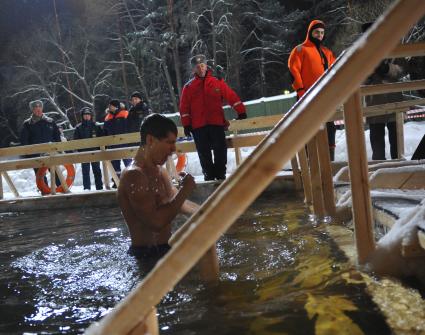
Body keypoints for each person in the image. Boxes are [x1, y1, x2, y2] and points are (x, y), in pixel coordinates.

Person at [117, 114, 199, 270]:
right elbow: (156, 222)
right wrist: (185, 190)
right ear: (150, 140)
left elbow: (179, 203)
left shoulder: (160, 171)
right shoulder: (134, 176)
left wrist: (206, 213)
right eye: (169, 142)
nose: (174, 149)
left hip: (165, 250)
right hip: (146, 256)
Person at [179, 54, 247, 181]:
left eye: (202, 65)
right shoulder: (188, 87)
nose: (200, 68)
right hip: (198, 127)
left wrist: (240, 110)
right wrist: (186, 124)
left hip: (216, 123)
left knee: (220, 150)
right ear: (194, 70)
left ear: (206, 66)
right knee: (204, 153)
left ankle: (220, 175)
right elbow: (184, 108)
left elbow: (230, 96)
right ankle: (209, 176)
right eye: (197, 67)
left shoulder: (217, 82)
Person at [288, 19, 337, 160]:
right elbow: (293, 71)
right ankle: (309, 162)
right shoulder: (300, 50)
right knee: (308, 129)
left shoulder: (327, 52)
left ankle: (330, 161)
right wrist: (301, 91)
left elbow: (336, 71)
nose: (320, 35)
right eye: (317, 32)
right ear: (310, 33)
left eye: (322, 33)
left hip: (325, 97)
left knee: (329, 128)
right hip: (306, 97)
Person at [362, 22, 404, 160]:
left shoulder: (393, 47)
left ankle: (399, 169)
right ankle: (380, 174)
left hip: (394, 101)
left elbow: (401, 69)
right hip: (374, 102)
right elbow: (357, 78)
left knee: (397, 143)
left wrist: (386, 69)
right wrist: (368, 73)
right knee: (377, 144)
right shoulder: (362, 53)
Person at [19, 100, 61, 193]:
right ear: (32, 110)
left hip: (51, 153)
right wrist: (28, 155)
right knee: (40, 176)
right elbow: (24, 141)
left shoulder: (50, 121)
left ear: (42, 108)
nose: (38, 109)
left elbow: (57, 137)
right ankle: (44, 193)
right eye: (35, 108)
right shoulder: (27, 124)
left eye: (39, 107)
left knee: (56, 173)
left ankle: (62, 190)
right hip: (36, 155)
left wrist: (59, 149)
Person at [73, 107, 104, 190]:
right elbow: (75, 140)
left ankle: (99, 187)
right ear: (82, 116)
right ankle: (86, 188)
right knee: (85, 171)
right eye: (85, 115)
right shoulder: (78, 127)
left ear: (91, 116)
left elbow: (102, 137)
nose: (87, 116)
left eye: (88, 115)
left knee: (97, 170)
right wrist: (78, 150)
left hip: (95, 151)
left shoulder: (96, 126)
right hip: (84, 153)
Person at [103, 99, 132, 184]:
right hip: (112, 144)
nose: (110, 107)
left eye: (112, 105)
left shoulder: (125, 114)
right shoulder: (108, 117)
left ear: (117, 106)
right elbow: (105, 131)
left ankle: (132, 179)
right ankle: (117, 182)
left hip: (124, 143)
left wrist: (128, 140)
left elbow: (129, 127)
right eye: (110, 105)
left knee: (128, 162)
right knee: (115, 164)